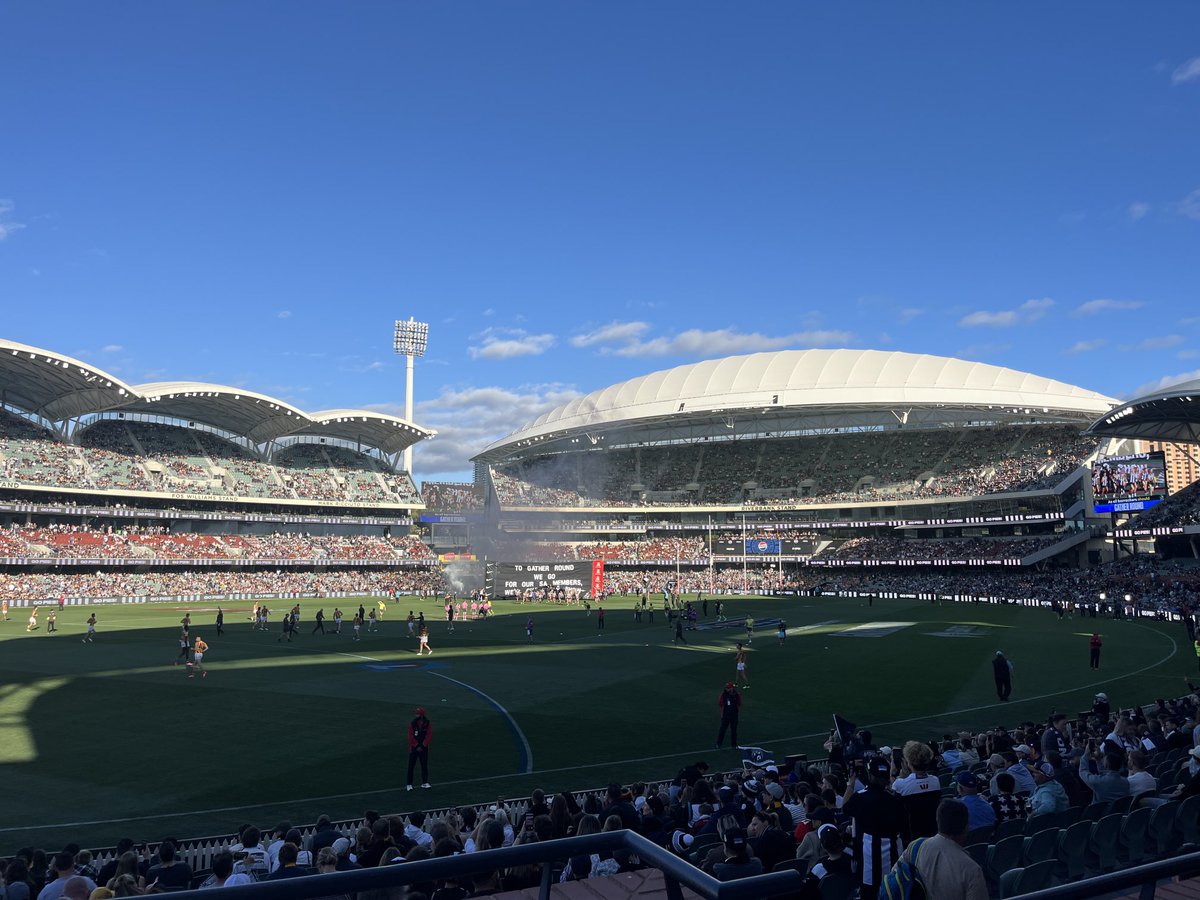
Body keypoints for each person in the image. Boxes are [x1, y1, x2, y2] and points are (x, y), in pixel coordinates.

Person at [888, 799, 987, 900]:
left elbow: (893, 879)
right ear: (966, 827)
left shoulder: (915, 846)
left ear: (938, 821)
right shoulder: (972, 870)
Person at [842, 756, 907, 897]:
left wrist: (850, 784)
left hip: (869, 858)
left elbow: (845, 808)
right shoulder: (895, 798)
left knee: (870, 892)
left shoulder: (860, 797)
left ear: (870, 775)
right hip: (893, 853)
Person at [407, 706, 432, 790]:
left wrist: (423, 745)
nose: (416, 714)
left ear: (421, 714)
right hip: (414, 748)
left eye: (417, 713)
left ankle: (424, 782)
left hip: (424, 748)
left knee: (424, 765)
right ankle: (409, 784)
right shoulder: (413, 723)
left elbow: (429, 735)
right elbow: (410, 736)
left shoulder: (427, 723)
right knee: (411, 766)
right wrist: (417, 745)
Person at [716, 682, 741, 749]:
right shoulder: (723, 695)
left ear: (732, 688)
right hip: (726, 715)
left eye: (728, 688)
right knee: (722, 730)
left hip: (734, 716)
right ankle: (718, 743)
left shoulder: (736, 695)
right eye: (726, 688)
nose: (727, 689)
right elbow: (720, 703)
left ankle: (734, 744)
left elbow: (739, 703)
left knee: (734, 731)